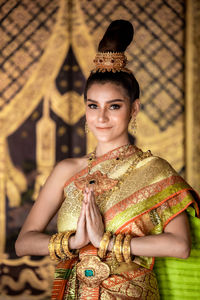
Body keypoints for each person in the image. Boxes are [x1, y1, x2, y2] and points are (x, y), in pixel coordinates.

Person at [15, 20, 200, 299]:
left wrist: (105, 241)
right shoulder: (67, 170)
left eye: (114, 106)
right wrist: (75, 241)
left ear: (133, 109)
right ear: (86, 109)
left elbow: (179, 246)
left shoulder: (154, 170)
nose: (101, 117)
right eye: (93, 106)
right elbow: (24, 243)